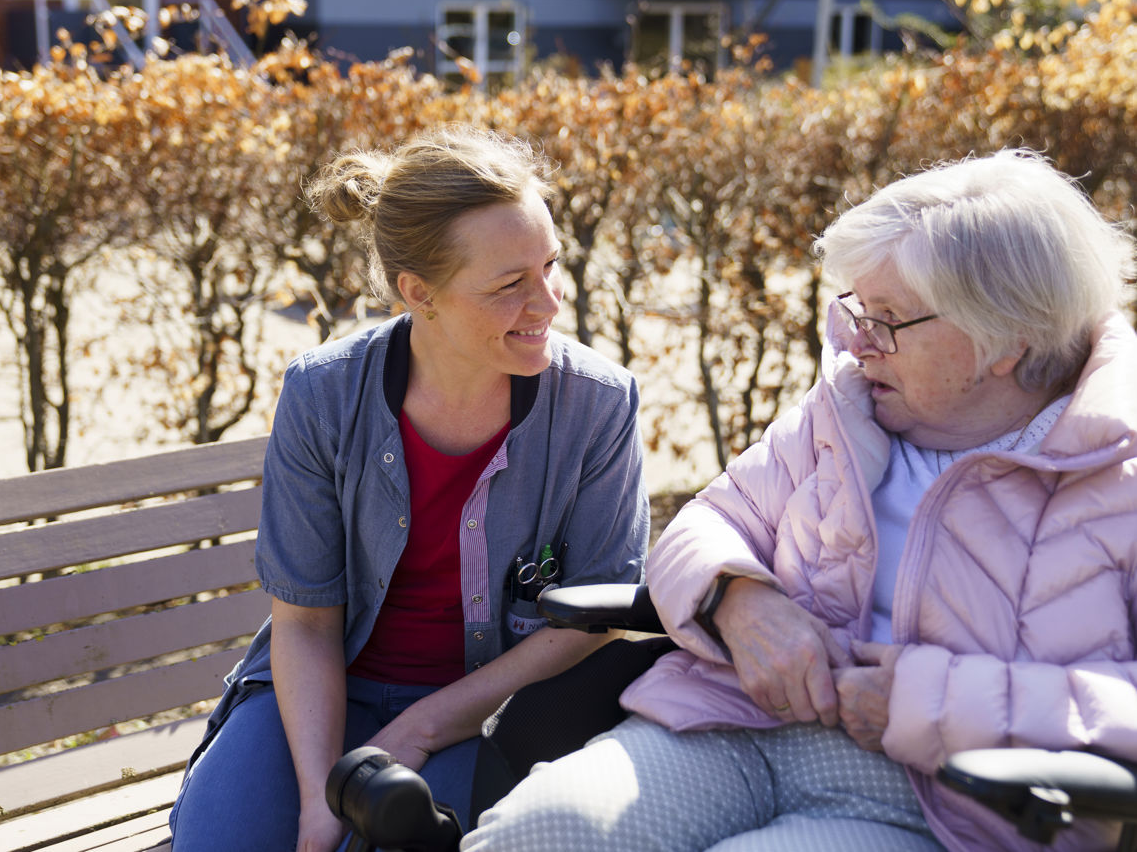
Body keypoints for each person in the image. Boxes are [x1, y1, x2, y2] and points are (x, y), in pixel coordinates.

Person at [462, 149, 1137, 852]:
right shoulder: (845, 411)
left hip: (945, 802)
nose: (857, 343)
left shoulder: (1115, 478)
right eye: (856, 310)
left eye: (887, 320)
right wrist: (736, 596)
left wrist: (929, 701)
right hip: (731, 728)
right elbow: (707, 521)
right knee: (536, 833)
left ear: (1003, 339)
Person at [168, 125, 650, 852]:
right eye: (508, 285)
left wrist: (422, 728)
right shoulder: (321, 394)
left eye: (550, 266)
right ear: (417, 293)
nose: (548, 304)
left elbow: (595, 615)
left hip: (488, 708)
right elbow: (303, 622)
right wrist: (316, 802)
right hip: (315, 701)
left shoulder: (598, 403)